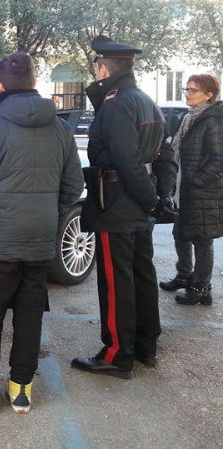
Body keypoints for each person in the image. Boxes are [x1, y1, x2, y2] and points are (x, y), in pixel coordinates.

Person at [0, 52, 84, 414]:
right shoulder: (61, 129)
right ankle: (21, 389)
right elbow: (74, 187)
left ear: (1, 84)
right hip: (40, 242)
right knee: (29, 314)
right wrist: (48, 215)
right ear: (35, 82)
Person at [71, 35, 177, 379]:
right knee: (141, 274)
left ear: (104, 68)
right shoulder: (146, 101)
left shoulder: (117, 103)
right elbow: (165, 156)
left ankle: (117, 355)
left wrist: (152, 201)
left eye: (97, 67)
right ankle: (146, 344)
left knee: (117, 282)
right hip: (140, 205)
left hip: (117, 203)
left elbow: (127, 161)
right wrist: (161, 198)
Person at [159, 74, 223, 305]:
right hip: (183, 187)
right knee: (180, 233)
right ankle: (185, 275)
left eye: (193, 90)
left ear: (209, 95)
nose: (187, 93)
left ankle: (202, 287)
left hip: (203, 191)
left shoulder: (213, 120)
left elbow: (218, 160)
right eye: (186, 89)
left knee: (202, 240)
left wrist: (196, 181)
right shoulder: (190, 117)